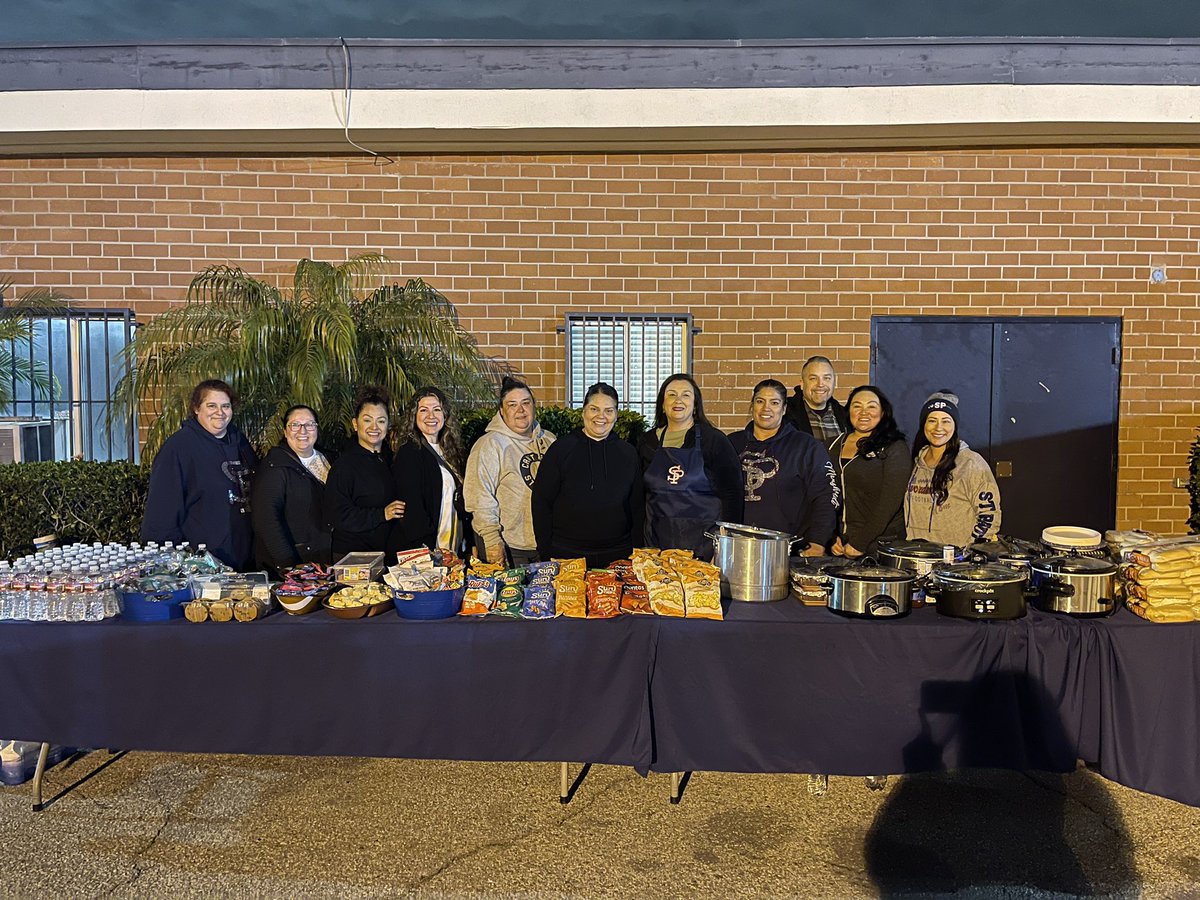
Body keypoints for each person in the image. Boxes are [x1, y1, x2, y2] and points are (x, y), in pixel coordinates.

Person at [141, 379, 257, 570]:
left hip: (245, 559)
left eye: (225, 406)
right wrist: (174, 562)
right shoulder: (178, 449)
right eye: (211, 405)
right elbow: (162, 512)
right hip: (203, 563)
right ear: (196, 408)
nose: (219, 412)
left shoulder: (240, 443)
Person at [531, 382, 645, 568]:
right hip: (567, 555)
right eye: (594, 409)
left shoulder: (628, 453)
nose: (601, 416)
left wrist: (636, 551)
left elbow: (637, 507)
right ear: (583, 411)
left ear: (616, 415)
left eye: (609, 410)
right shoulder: (561, 450)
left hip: (618, 554)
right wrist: (545, 552)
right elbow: (541, 502)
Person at [637, 373, 743, 561]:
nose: (678, 400)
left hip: (704, 546)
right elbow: (638, 495)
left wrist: (726, 545)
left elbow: (732, 493)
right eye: (671, 395)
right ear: (662, 404)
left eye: (686, 395)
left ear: (695, 406)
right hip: (657, 544)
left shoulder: (714, 440)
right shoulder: (647, 442)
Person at [728, 379, 838, 556]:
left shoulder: (806, 446)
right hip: (737, 547)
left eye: (774, 402)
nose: (766, 408)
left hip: (789, 551)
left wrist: (818, 540)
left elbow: (825, 495)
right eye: (760, 401)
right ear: (752, 405)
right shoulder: (732, 443)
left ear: (784, 409)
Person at [464, 376, 556, 567]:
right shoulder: (490, 445)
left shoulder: (549, 440)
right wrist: (491, 541)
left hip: (546, 543)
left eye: (525, 403)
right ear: (501, 411)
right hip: (510, 546)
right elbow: (479, 497)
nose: (520, 410)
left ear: (534, 406)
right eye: (512, 405)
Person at [905, 391, 1002, 546]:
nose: (938, 428)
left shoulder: (971, 463)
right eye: (932, 420)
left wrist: (967, 554)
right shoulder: (916, 462)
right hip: (916, 557)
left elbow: (989, 516)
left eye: (946, 421)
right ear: (923, 424)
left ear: (955, 425)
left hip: (955, 565)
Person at [323, 386, 405, 559]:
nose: (374, 427)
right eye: (367, 420)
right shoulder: (345, 465)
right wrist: (382, 514)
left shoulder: (392, 459)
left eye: (381, 421)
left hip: (388, 554)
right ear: (355, 423)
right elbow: (337, 515)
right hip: (354, 556)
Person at [251, 405, 332, 575]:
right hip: (296, 564)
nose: (302, 430)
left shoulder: (329, 459)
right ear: (286, 431)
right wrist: (288, 563)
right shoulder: (274, 466)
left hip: (325, 557)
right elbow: (266, 519)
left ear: (316, 429)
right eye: (295, 425)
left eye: (309, 424)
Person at [830, 385, 909, 559]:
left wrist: (861, 542)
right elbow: (825, 495)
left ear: (882, 412)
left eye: (872, 406)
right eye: (857, 406)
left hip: (880, 545)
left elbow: (891, 500)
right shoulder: (832, 445)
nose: (864, 412)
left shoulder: (894, 447)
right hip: (840, 545)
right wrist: (830, 535)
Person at [390, 387, 471, 555]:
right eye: (423, 410)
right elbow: (412, 506)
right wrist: (426, 549)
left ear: (445, 415)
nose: (431, 416)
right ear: (414, 416)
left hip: (453, 542)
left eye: (437, 409)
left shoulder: (452, 450)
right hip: (427, 548)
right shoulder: (410, 453)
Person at [785, 355, 850, 450]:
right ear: (802, 384)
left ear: (834, 383)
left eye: (826, 378)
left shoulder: (845, 416)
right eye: (813, 378)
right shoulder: (785, 414)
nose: (820, 384)